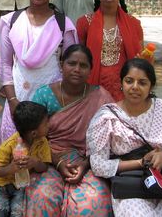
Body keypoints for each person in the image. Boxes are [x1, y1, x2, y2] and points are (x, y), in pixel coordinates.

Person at [87, 58, 162, 216]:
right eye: (129, 81)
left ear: (151, 87)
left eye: (142, 82)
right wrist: (141, 163)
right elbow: (98, 164)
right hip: (131, 186)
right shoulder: (107, 117)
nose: (135, 87)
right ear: (121, 83)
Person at [25, 44, 113, 216]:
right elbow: (30, 137)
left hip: (88, 162)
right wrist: (57, 162)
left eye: (83, 65)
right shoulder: (44, 95)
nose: (77, 69)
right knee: (41, 197)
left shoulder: (101, 97)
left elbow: (110, 140)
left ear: (90, 70)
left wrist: (86, 163)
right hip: (47, 159)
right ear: (61, 64)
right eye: (71, 63)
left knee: (96, 200)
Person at [0, 0, 78, 143]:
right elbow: (5, 65)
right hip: (18, 94)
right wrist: (12, 101)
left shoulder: (63, 24)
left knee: (47, 148)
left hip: (51, 96)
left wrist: (62, 99)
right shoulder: (10, 21)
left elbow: (71, 65)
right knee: (13, 150)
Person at [76, 0, 144, 101]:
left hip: (125, 89)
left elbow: (140, 59)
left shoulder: (134, 24)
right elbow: (79, 59)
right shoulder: (84, 23)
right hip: (93, 88)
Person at [0, 101, 51, 217]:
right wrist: (10, 168)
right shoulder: (8, 145)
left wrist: (35, 163)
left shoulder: (42, 142)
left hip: (20, 186)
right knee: (0, 211)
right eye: (45, 123)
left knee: (17, 212)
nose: (49, 125)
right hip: (2, 185)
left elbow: (45, 167)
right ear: (34, 133)